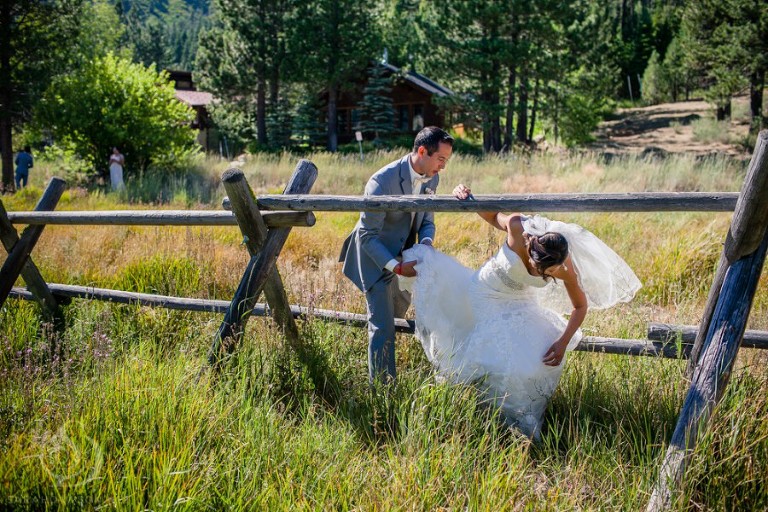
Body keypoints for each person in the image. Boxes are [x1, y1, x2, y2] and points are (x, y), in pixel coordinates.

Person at [397, 183, 641, 439]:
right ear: (531, 246)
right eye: (539, 268)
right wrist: (469, 199)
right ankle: (489, 415)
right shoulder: (516, 227)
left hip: (520, 299)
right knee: (501, 358)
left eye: (547, 273)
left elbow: (580, 306)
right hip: (486, 294)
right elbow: (493, 216)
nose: (541, 274)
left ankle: (518, 418)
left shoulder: (563, 266)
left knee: (534, 360)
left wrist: (562, 342)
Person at [339, 126, 455, 385]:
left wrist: (425, 245)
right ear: (422, 151)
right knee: (382, 326)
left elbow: (427, 219)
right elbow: (367, 236)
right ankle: (382, 392)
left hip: (406, 257)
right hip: (375, 257)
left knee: (395, 316)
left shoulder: (431, 177)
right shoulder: (381, 182)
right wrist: (396, 267)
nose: (443, 167)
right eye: (441, 159)